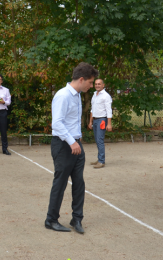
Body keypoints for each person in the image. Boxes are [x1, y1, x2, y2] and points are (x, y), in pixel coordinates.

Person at [45, 62, 98, 234]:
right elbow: (57, 123)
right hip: (64, 145)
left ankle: (77, 219)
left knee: (79, 184)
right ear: (81, 79)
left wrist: (78, 137)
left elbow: (71, 120)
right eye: (90, 82)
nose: (91, 86)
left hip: (76, 144)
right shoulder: (63, 95)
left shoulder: (76, 95)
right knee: (60, 183)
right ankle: (51, 220)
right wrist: (71, 141)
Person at [88, 78, 113, 168]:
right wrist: (90, 121)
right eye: (96, 84)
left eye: (99, 84)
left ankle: (101, 161)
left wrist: (109, 124)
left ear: (103, 85)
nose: (97, 85)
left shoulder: (106, 96)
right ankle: (99, 159)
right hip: (95, 120)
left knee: (100, 140)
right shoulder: (94, 94)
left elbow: (109, 111)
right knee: (97, 140)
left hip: (102, 120)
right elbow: (92, 109)